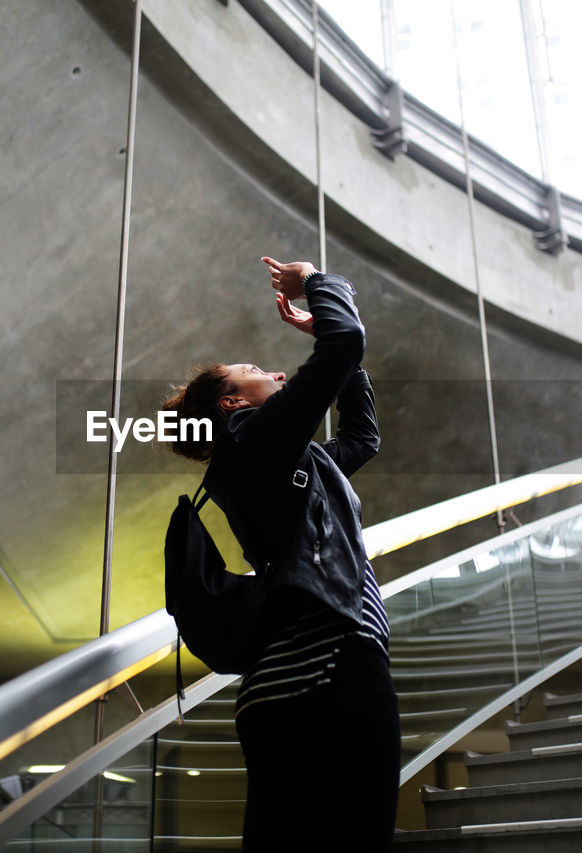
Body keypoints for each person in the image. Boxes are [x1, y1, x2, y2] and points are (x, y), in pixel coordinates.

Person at [161, 256, 399, 851]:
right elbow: (347, 342)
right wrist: (316, 285)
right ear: (235, 405)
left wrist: (330, 339)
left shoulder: (288, 462)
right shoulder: (258, 441)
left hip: (285, 682)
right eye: (254, 370)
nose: (271, 371)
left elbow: (362, 437)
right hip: (330, 663)